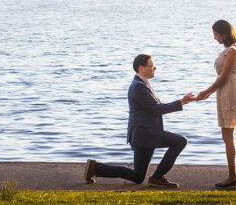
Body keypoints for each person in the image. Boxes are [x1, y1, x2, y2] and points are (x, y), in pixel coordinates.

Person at [83, 53, 196, 189]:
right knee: (180, 141)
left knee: (138, 177)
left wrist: (180, 102)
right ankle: (158, 177)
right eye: (152, 66)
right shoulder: (138, 87)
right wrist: (181, 102)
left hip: (145, 134)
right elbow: (156, 109)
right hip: (146, 134)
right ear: (141, 68)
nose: (155, 68)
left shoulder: (142, 84)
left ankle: (95, 168)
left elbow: (153, 108)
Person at [196, 19, 236, 190]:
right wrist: (209, 93)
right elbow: (222, 78)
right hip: (225, 91)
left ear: (224, 34)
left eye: (216, 34)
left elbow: (224, 76)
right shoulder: (228, 50)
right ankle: (232, 176)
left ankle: (232, 177)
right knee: (227, 137)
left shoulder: (232, 51)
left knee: (228, 137)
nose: (214, 38)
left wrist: (206, 91)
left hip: (229, 92)